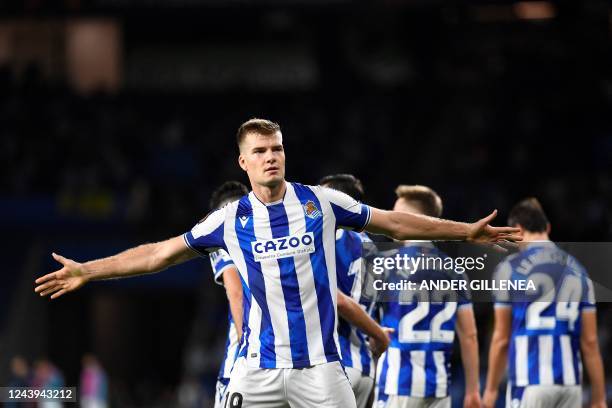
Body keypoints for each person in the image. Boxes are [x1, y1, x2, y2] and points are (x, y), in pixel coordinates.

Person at [35, 118, 521, 407]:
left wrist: (466, 231)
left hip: (321, 369)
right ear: (242, 163)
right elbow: (157, 255)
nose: (271, 158)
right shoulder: (228, 220)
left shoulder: (322, 203)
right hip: (256, 369)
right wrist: (88, 269)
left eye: (277, 149)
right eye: (260, 151)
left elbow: (396, 224)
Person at [483, 198, 607, 408]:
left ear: (517, 230)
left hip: (529, 380)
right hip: (570, 384)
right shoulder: (579, 270)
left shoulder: (509, 268)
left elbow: (501, 339)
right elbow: (591, 342)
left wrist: (491, 389)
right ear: (547, 228)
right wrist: (599, 398)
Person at [374, 185, 481, 408]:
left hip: (397, 384)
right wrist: (472, 391)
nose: (391, 221)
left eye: (397, 215)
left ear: (414, 219)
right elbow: (469, 335)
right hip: (439, 388)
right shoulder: (455, 270)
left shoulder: (384, 265)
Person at [318, 173, 378, 408]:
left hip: (334, 363)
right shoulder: (375, 250)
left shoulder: (331, 237)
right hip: (365, 368)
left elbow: (337, 300)